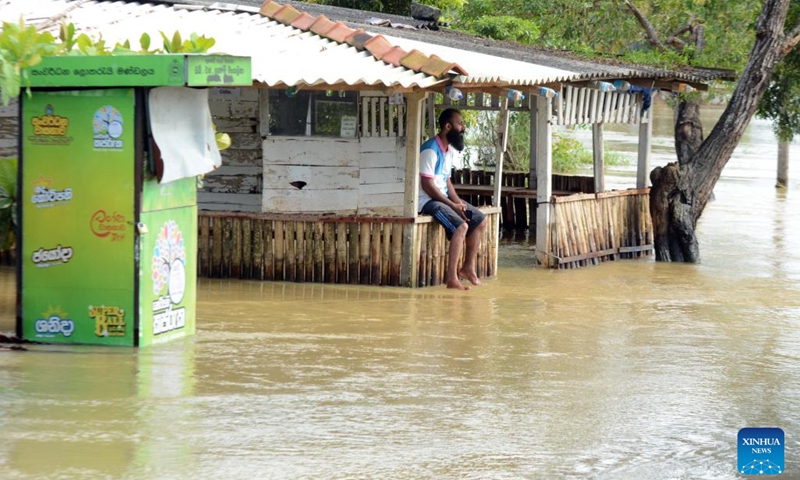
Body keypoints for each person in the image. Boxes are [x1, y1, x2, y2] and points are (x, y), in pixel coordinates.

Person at [418, 108, 487, 290]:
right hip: (427, 201)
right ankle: (451, 279)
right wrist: (452, 205)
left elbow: (446, 181)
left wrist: (459, 204)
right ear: (448, 126)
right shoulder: (430, 150)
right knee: (461, 227)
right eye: (460, 123)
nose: (463, 127)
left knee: (480, 220)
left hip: (442, 198)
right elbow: (427, 186)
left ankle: (467, 268)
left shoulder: (448, 150)